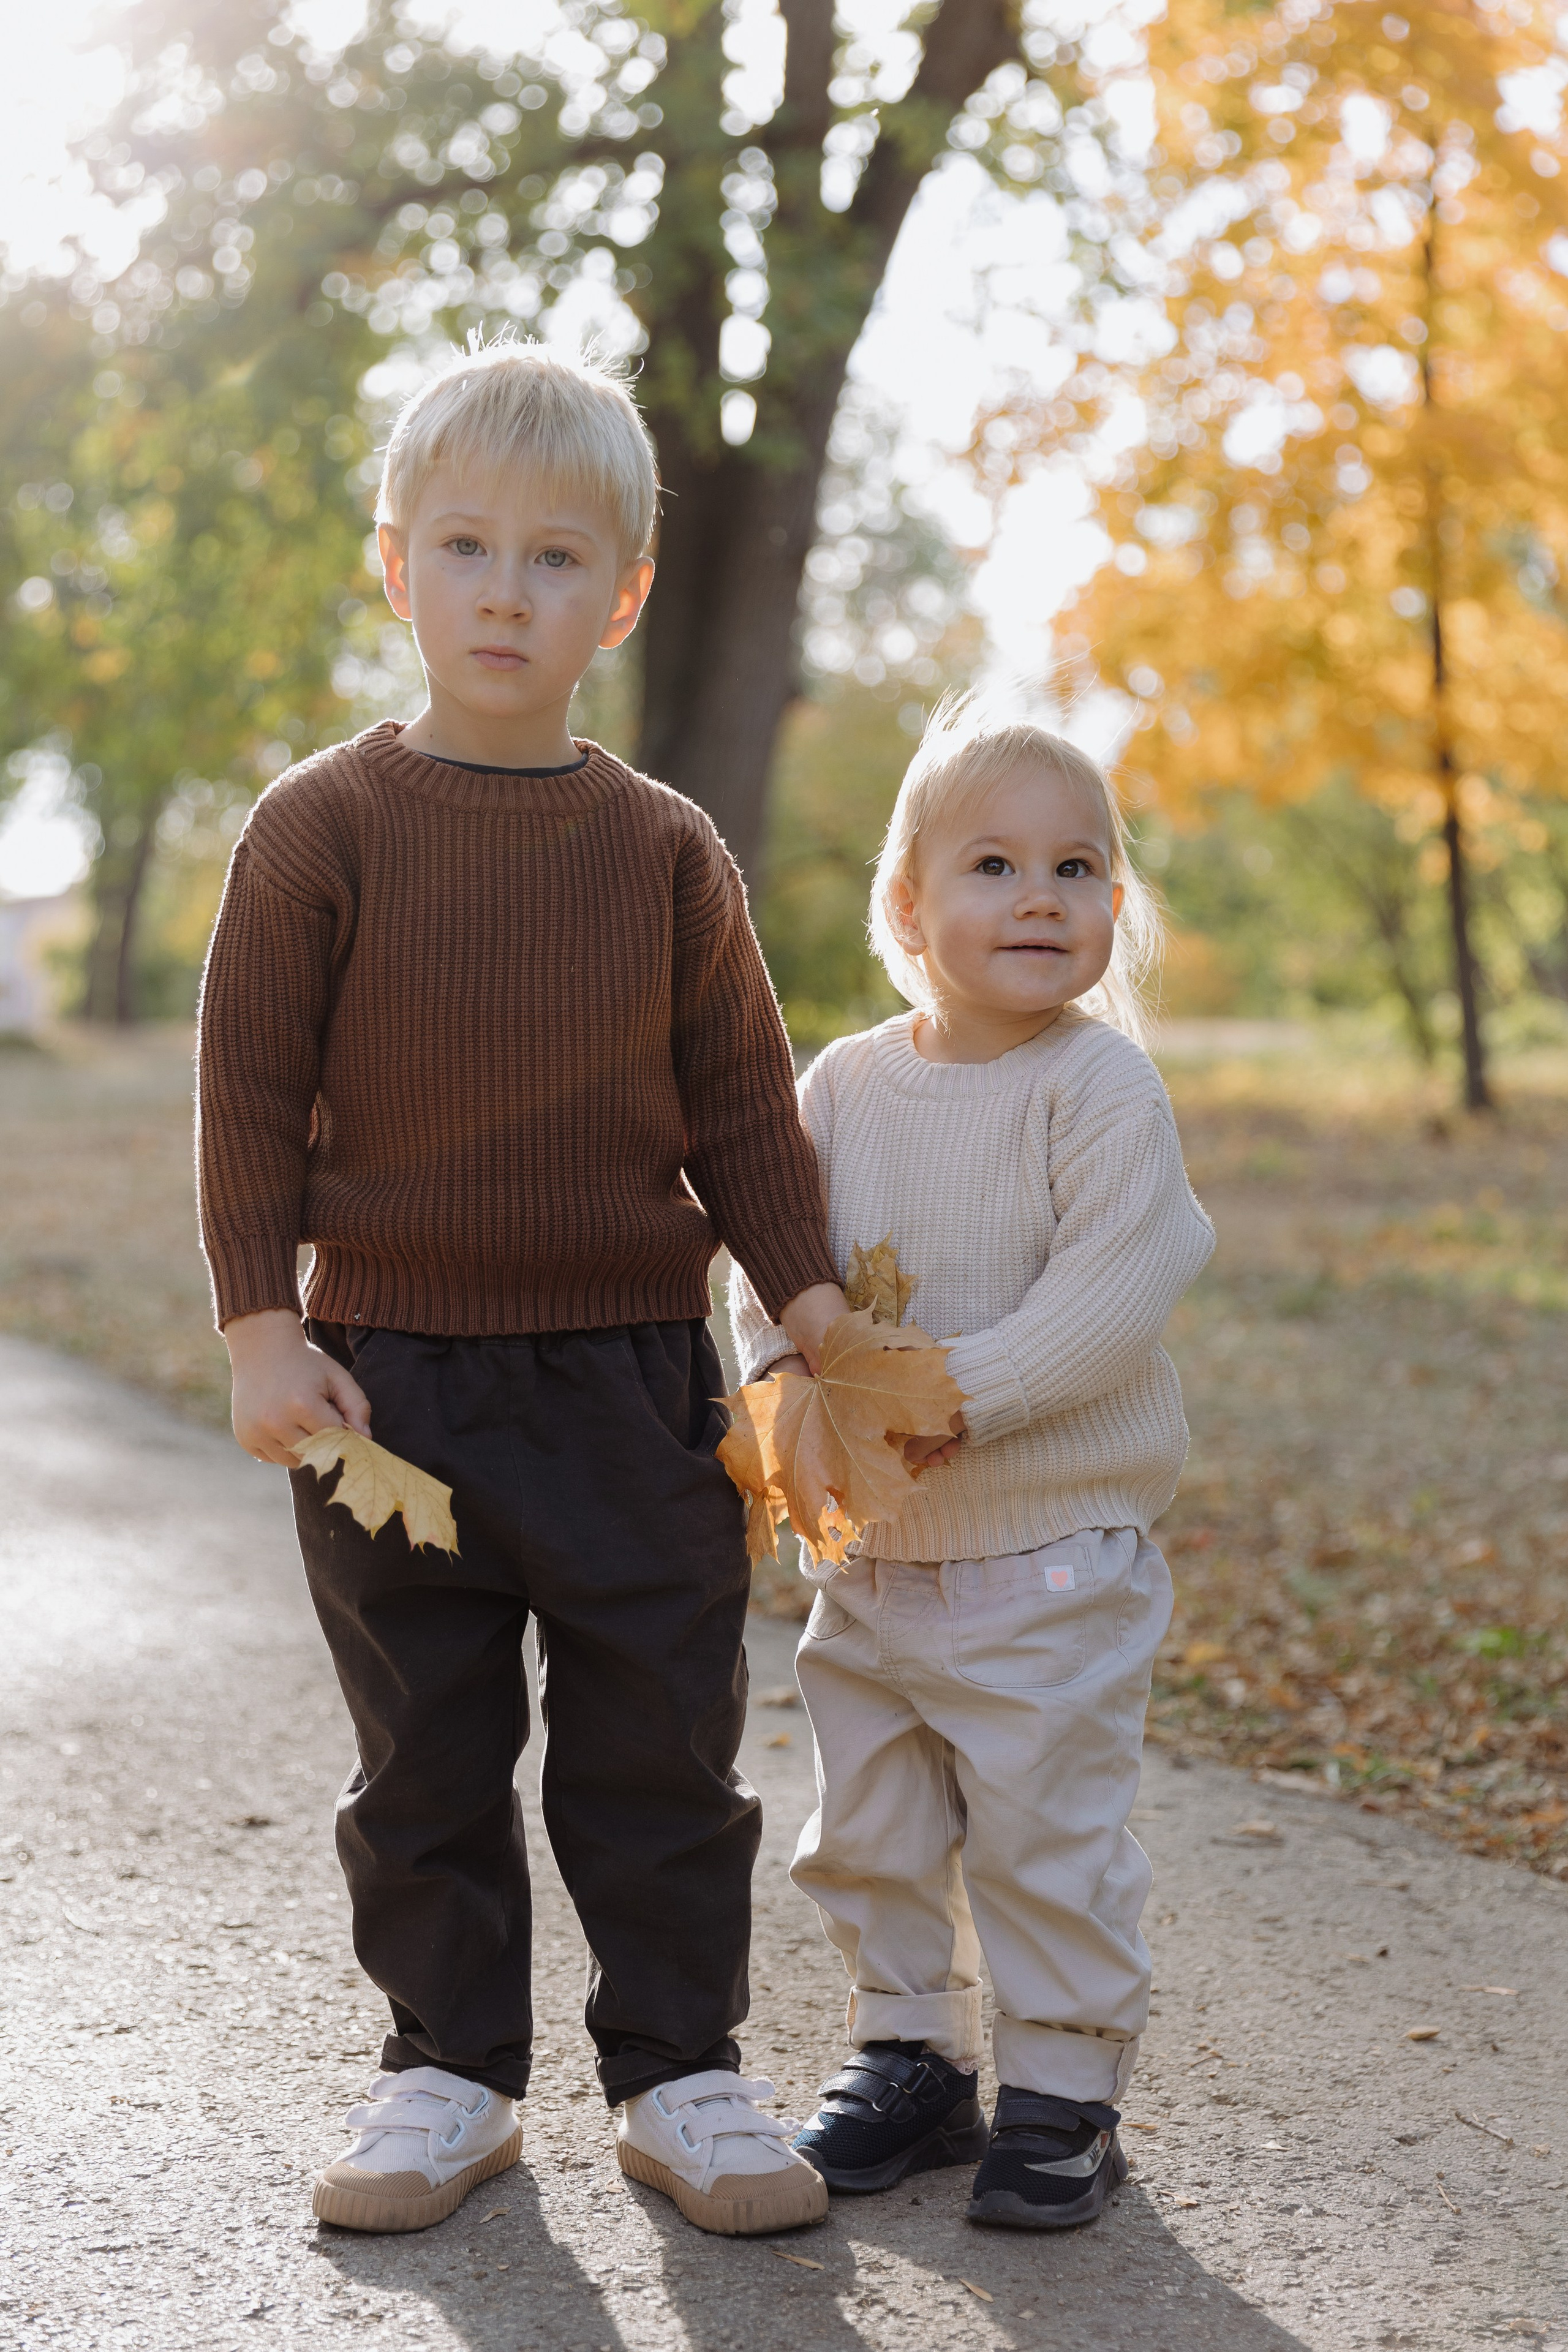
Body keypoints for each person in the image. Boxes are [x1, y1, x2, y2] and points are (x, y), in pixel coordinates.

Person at [196, 337, 848, 2239]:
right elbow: (248, 1095)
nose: (507, 588)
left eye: (557, 557)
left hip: (636, 1383)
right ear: (394, 568)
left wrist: (811, 1310)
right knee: (426, 1756)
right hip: (393, 1389)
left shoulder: (662, 850)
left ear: (624, 594)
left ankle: (683, 2074)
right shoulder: (319, 830)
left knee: (664, 1739)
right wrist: (259, 1321)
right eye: (466, 546)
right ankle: (445, 2075)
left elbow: (737, 1103)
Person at [729, 699, 1215, 2230]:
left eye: (1076, 870)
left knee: (1043, 1832)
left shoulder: (1098, 1090)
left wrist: (961, 1394)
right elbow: (767, 1246)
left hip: (1048, 1559)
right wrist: (777, 1389)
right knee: (867, 1829)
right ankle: (909, 2055)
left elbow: (1112, 1295)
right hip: (870, 1560)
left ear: (1111, 911)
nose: (1037, 899)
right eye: (993, 865)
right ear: (907, 906)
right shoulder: (842, 1086)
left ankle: (1064, 2086)